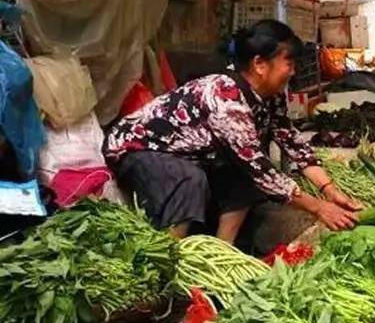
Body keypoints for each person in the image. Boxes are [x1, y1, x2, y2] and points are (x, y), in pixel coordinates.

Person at [105, 20, 360, 242]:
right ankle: (170, 258)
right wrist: (318, 208)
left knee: (243, 175)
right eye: (288, 63)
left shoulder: (272, 96)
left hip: (187, 154)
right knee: (190, 179)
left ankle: (223, 250)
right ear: (260, 64)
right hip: (138, 150)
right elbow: (261, 171)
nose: (293, 71)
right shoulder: (225, 98)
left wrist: (329, 189)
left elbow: (292, 142)